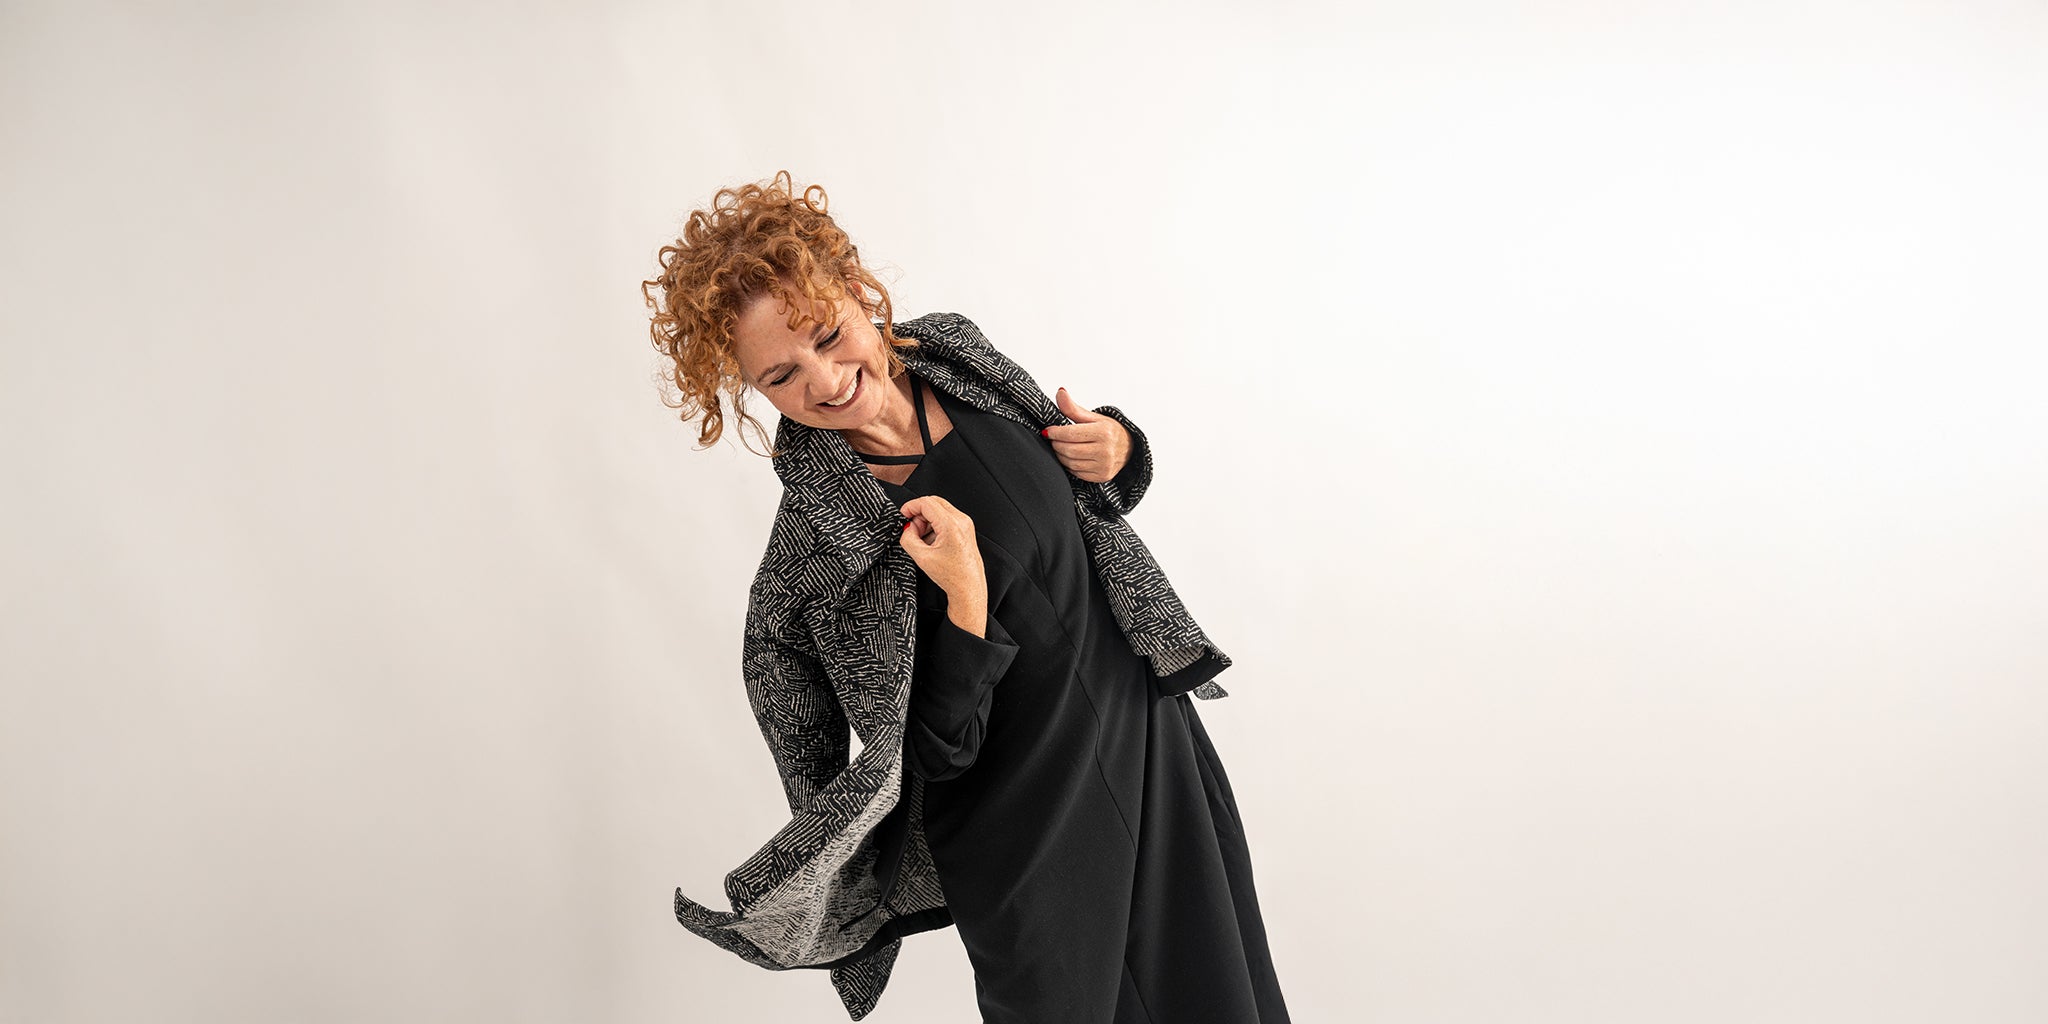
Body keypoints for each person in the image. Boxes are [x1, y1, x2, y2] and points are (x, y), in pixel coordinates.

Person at [647, 171, 1290, 1023]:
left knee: (1221, 1001)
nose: (826, 380)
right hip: (1032, 840)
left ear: (859, 292)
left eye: (830, 336)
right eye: (782, 376)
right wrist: (964, 597)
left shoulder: (954, 353)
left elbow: (1079, 509)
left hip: (1151, 748)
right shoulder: (818, 546)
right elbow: (933, 756)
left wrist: (1118, 446)